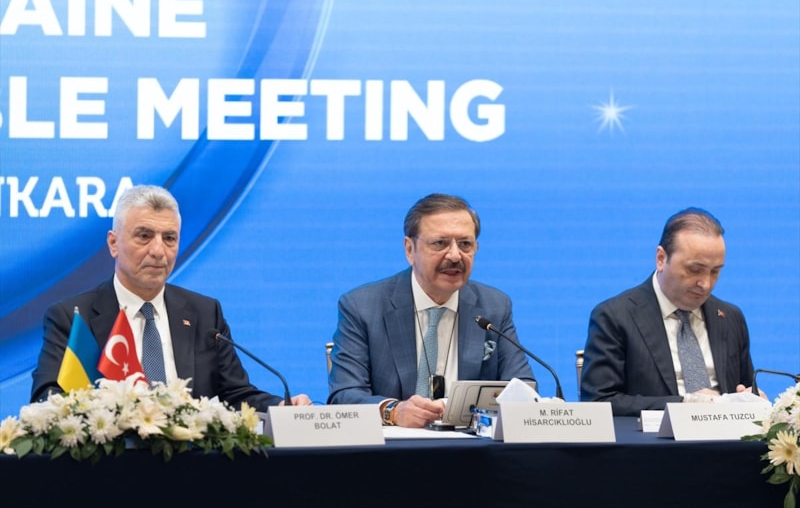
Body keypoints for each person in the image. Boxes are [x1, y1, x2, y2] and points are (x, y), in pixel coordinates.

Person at [31, 184, 311, 409]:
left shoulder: (205, 313)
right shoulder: (73, 316)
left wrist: (281, 406)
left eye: (169, 238)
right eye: (144, 236)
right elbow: (47, 399)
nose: (158, 251)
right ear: (113, 243)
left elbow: (235, 395)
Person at [327, 193, 534, 428]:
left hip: (470, 447)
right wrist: (394, 412)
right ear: (409, 249)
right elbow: (344, 395)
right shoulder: (363, 306)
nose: (455, 255)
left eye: (465, 244)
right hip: (393, 448)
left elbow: (522, 388)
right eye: (440, 243)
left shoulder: (494, 306)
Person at [580, 207, 761, 416]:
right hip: (653, 437)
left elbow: (743, 388)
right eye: (695, 270)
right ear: (661, 258)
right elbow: (600, 402)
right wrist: (683, 405)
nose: (705, 284)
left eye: (715, 271)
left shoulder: (730, 317)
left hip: (725, 436)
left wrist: (752, 400)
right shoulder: (615, 317)